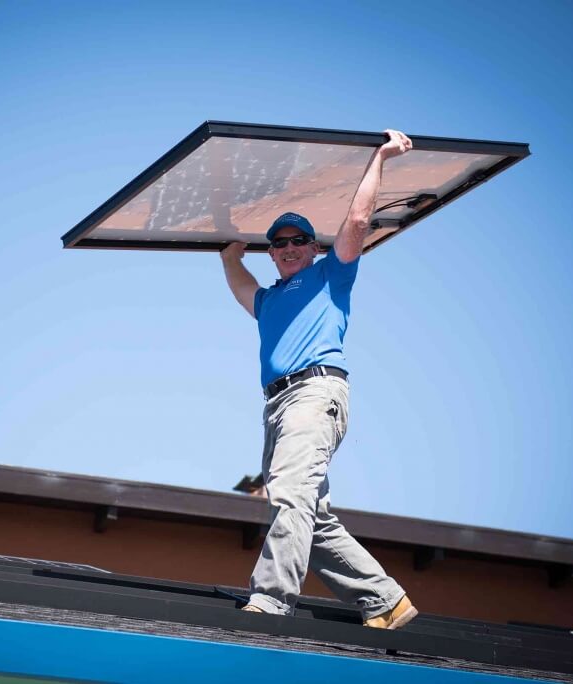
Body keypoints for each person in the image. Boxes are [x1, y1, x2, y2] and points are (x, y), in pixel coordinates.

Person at [219, 129, 418, 630]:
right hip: (279, 405)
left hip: (314, 391)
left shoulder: (332, 274)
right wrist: (228, 257)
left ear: (312, 246)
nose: (288, 248)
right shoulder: (269, 302)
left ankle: (272, 597)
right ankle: (384, 601)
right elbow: (242, 287)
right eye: (279, 243)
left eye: (297, 240)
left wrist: (381, 158)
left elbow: (357, 220)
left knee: (289, 495)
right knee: (308, 510)